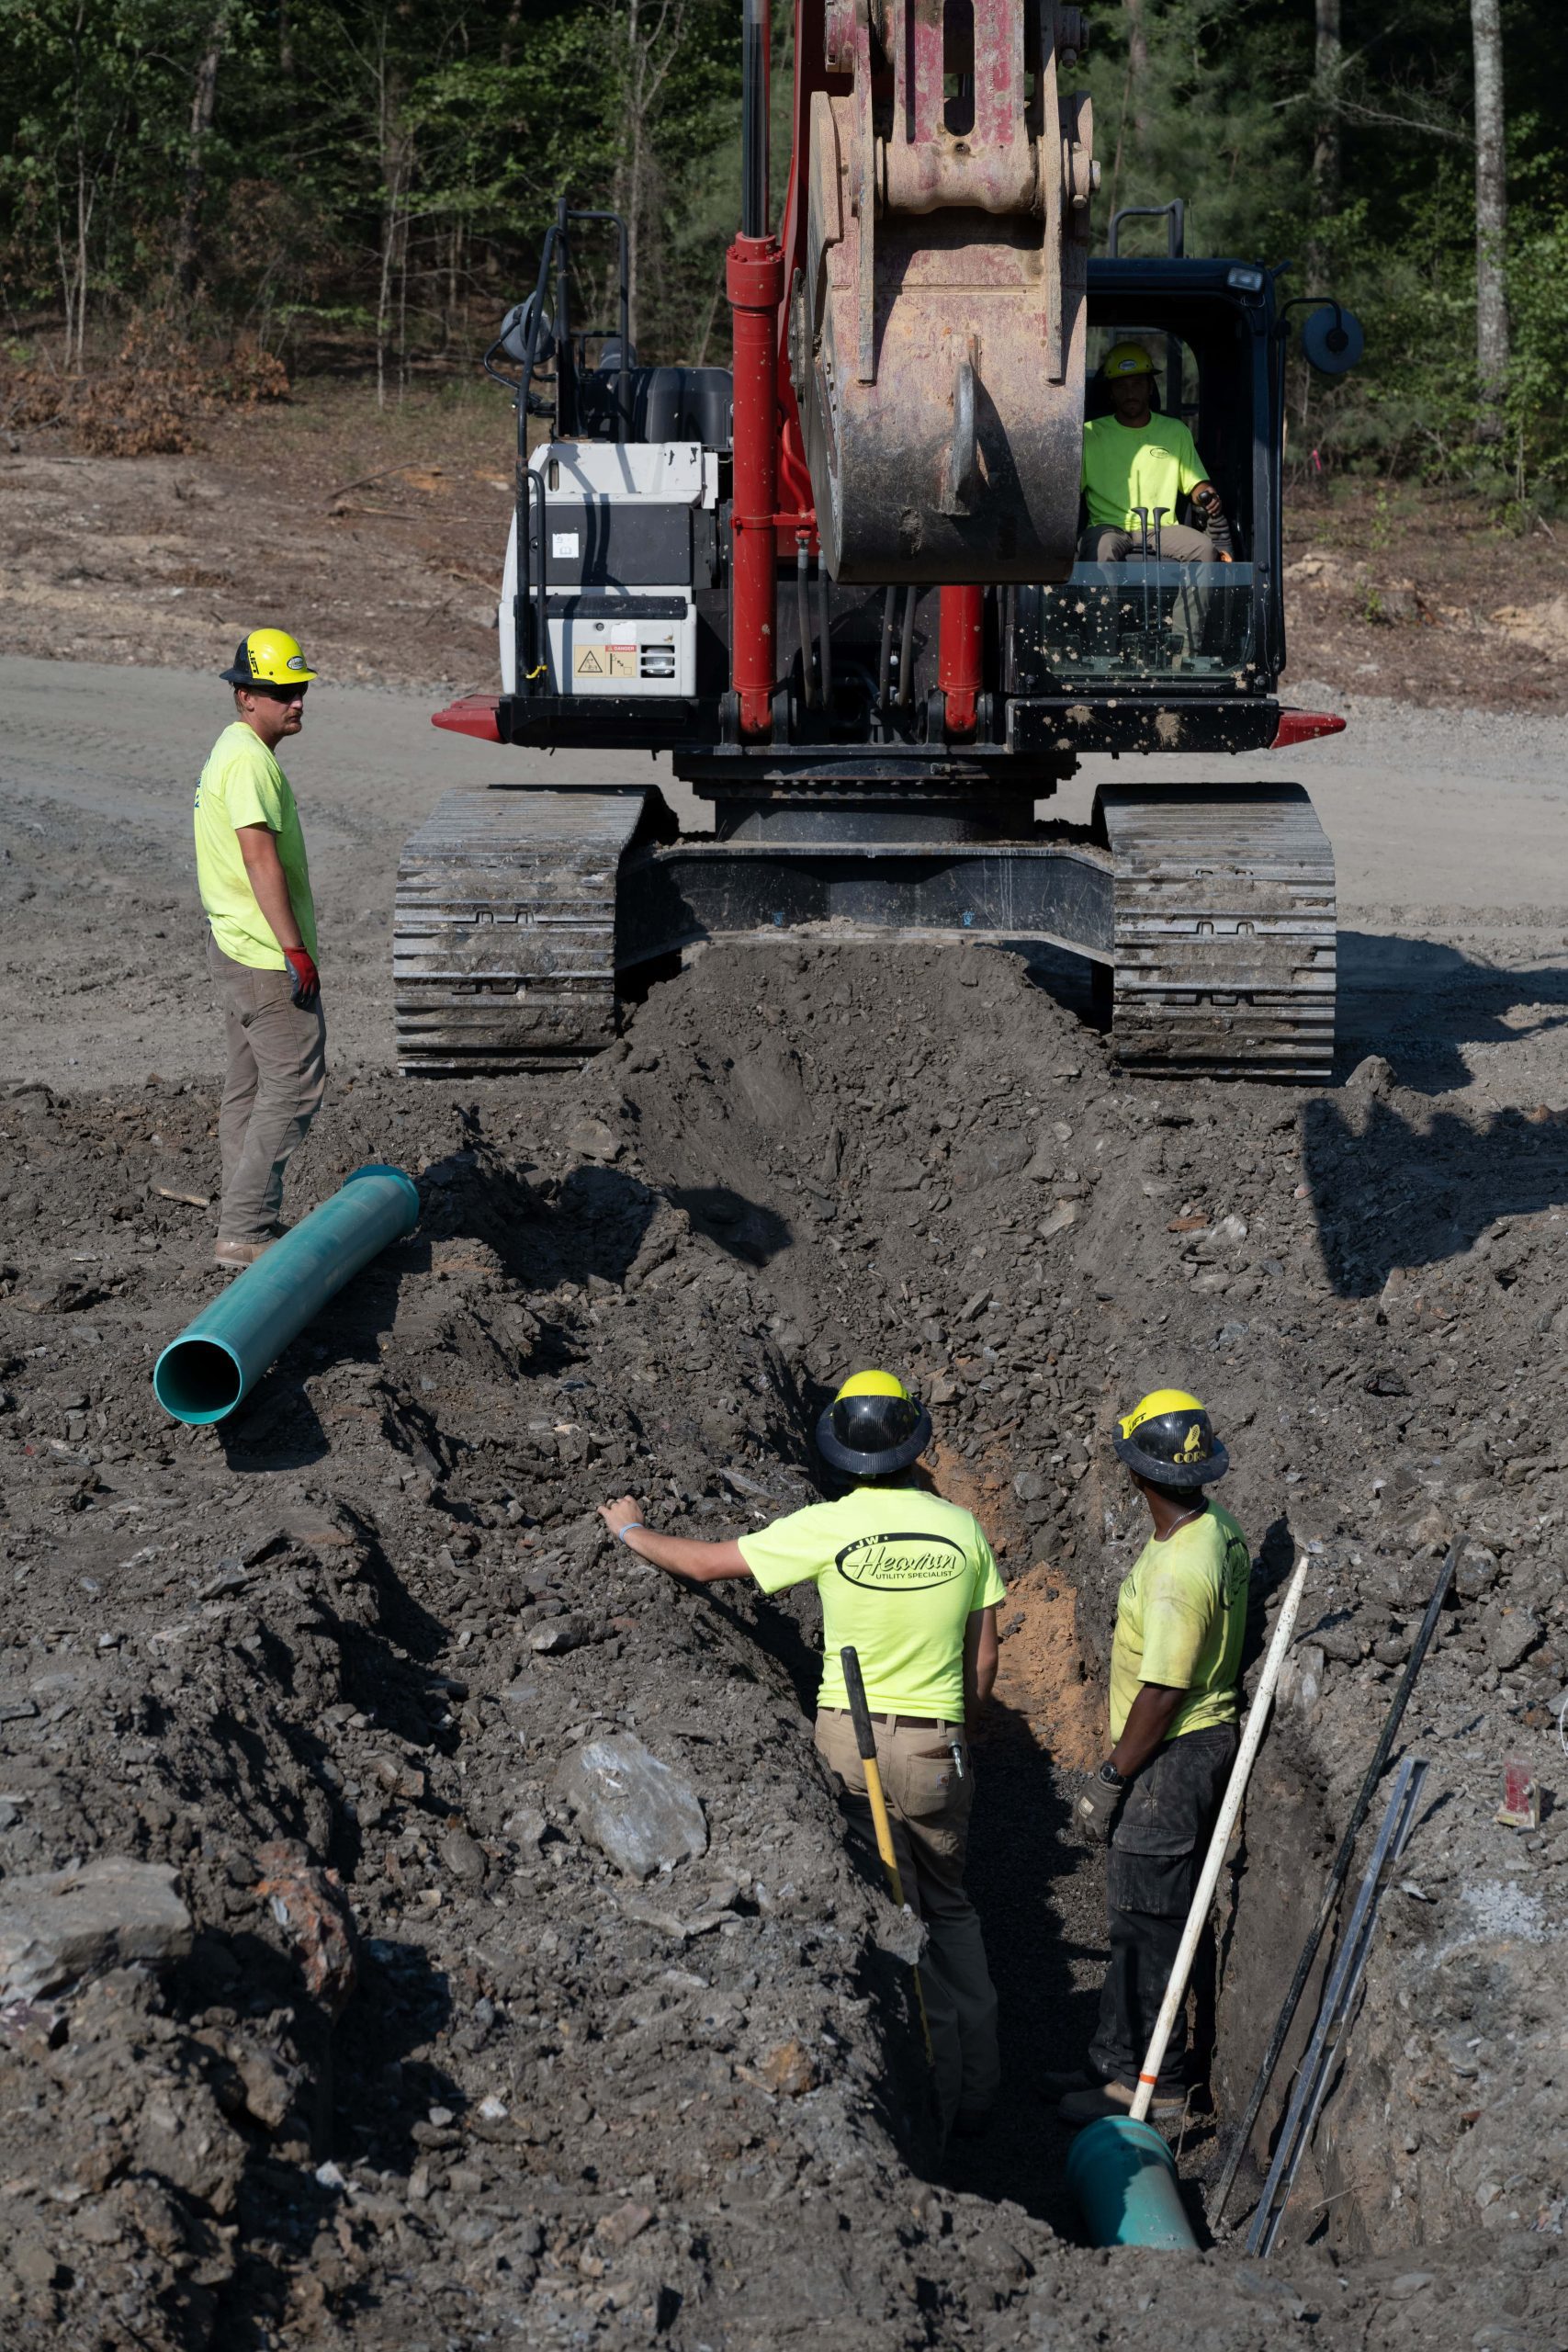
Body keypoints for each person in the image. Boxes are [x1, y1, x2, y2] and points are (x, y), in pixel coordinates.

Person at [598, 1369, 1005, 2140]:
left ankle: (938, 2095)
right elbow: (983, 1661)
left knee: (895, 1910)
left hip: (850, 1740)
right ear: (912, 1444)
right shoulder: (962, 1529)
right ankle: (981, 2086)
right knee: (949, 1906)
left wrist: (629, 1531)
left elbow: (703, 1564)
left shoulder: (826, 1527)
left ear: (841, 1451)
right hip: (937, 1744)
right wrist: (956, 1731)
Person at [1057, 1389, 1248, 2127]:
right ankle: (1111, 2062)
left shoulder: (1177, 1574)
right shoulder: (1213, 1526)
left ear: (1138, 1473)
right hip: (1189, 1742)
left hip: (1173, 1752)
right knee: (1135, 1917)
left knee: (1145, 1923)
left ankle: (1155, 2086)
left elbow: (1164, 1691)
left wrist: (1111, 1775)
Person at [195, 628, 325, 1269]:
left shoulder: (233, 748)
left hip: (235, 945)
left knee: (247, 1088)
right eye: (280, 692)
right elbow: (258, 858)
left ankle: (242, 1218)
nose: (295, 701)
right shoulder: (248, 760)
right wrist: (294, 949)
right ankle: (245, 1228)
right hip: (264, 955)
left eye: (299, 689)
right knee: (295, 1085)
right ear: (245, 696)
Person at [1078, 342, 1231, 654]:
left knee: (1204, 548)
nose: (1130, 392)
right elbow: (1068, 493)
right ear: (1111, 393)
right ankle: (1102, 653)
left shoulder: (1175, 432)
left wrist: (1207, 496)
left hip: (1161, 528)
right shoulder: (1089, 434)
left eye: (1137, 383)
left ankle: (1184, 652)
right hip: (1108, 526)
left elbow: (1197, 484)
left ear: (1150, 387)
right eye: (1121, 386)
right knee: (1100, 550)